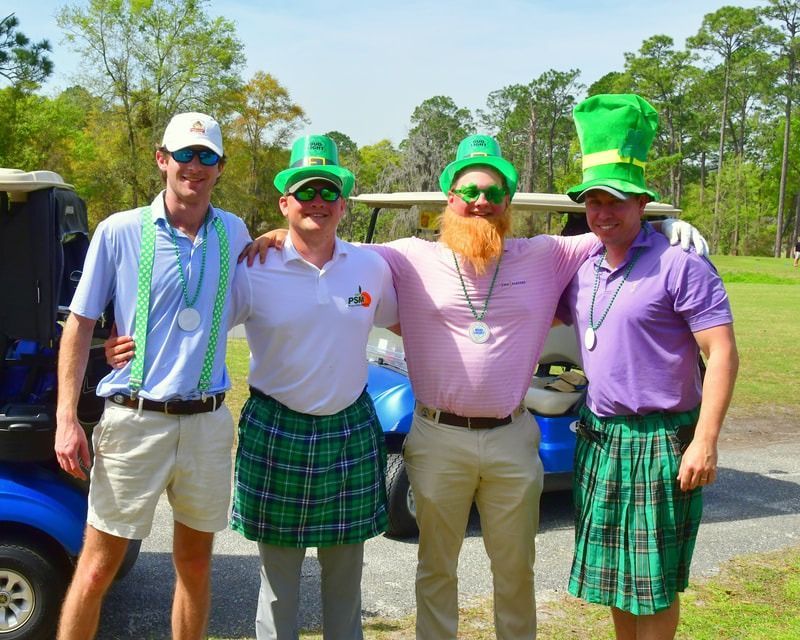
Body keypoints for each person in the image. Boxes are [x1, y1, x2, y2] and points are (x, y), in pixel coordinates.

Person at [249, 134, 706, 640]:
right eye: (469, 192)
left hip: (512, 436)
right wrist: (278, 233)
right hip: (437, 435)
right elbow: (327, 245)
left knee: (514, 571)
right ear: (450, 200)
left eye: (493, 193)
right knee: (436, 569)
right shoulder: (405, 257)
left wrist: (670, 226)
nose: (481, 202)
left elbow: (611, 226)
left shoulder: (546, 254)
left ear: (507, 203)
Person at [54, 112, 251, 640]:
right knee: (97, 567)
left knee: (195, 566)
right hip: (135, 419)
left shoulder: (235, 232)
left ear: (220, 167)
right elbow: (80, 324)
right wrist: (66, 419)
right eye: (184, 154)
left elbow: (270, 277)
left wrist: (282, 231)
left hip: (208, 424)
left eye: (207, 156)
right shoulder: (119, 229)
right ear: (162, 159)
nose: (195, 165)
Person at [557, 94, 739, 640]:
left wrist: (704, 441)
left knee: (653, 581)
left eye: (615, 202)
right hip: (599, 437)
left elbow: (723, 353)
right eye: (592, 202)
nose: (603, 214)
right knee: (615, 576)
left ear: (642, 203)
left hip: (662, 438)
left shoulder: (680, 265)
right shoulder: (582, 267)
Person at [228, 134, 398, 640]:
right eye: (306, 192)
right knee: (278, 583)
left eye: (328, 191)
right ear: (285, 203)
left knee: (345, 580)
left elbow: (410, 319)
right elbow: (204, 329)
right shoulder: (252, 267)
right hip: (277, 428)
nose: (317, 202)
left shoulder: (372, 265)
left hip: (349, 427)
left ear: (342, 202)